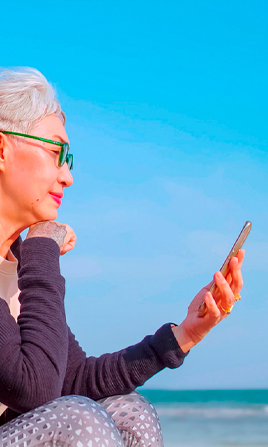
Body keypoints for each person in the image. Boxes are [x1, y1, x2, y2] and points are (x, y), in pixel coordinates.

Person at [0, 67, 244, 447]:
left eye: (69, 159)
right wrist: (43, 246)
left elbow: (74, 377)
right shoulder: (34, 256)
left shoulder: (15, 263)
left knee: (132, 411)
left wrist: (183, 335)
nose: (67, 176)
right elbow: (35, 389)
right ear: (2, 149)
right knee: (81, 420)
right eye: (55, 152)